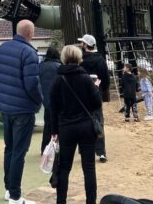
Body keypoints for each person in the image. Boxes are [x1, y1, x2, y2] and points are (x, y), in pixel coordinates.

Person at [0, 19, 42, 204]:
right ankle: (15, 195)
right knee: (19, 153)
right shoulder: (29, 52)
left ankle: (8, 189)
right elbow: (32, 84)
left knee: (10, 149)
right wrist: (39, 101)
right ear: (30, 33)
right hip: (23, 109)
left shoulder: (3, 48)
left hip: (5, 107)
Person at [50, 45, 103, 204]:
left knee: (64, 168)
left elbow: (53, 108)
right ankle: (91, 201)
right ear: (79, 58)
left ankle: (61, 201)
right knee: (89, 168)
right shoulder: (86, 78)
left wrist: (54, 131)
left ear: (64, 58)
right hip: (86, 126)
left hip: (66, 127)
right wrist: (96, 88)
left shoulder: (58, 79)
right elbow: (97, 102)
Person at [78, 33, 110, 163]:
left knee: (82, 120)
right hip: (96, 93)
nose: (81, 44)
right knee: (98, 120)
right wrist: (102, 90)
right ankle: (101, 152)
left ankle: (84, 149)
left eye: (82, 43)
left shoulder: (80, 59)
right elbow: (106, 79)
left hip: (82, 95)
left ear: (85, 45)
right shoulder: (100, 59)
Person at [39, 46, 61, 153]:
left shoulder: (40, 66)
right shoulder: (59, 67)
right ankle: (58, 147)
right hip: (58, 101)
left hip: (46, 100)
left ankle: (44, 147)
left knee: (47, 124)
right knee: (59, 124)